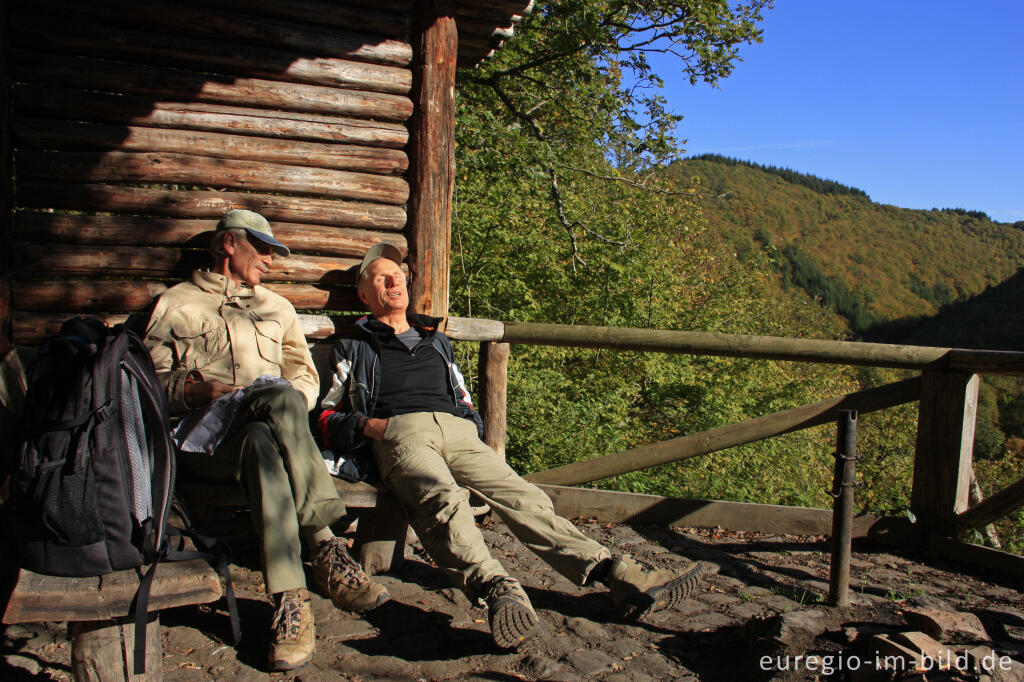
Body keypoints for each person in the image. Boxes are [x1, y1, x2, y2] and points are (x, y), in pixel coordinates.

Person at [318, 243, 712, 650]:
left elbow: (463, 398)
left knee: (524, 497)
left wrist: (468, 425)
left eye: (397, 274)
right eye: (380, 277)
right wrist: (372, 426)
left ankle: (618, 575)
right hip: (401, 434)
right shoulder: (356, 346)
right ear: (364, 295)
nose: (393, 280)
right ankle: (497, 589)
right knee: (443, 501)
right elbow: (328, 419)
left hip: (457, 433)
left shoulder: (436, 339)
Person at [143, 209, 389, 671]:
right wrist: (195, 390)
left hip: (265, 438)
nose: (272, 261)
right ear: (230, 244)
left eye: (276, 253)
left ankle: (290, 600)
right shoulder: (176, 304)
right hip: (204, 444)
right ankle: (326, 545)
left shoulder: (277, 308)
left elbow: (302, 373)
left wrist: (293, 401)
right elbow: (147, 383)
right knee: (273, 405)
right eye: (264, 249)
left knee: (266, 427)